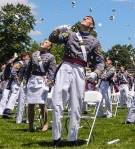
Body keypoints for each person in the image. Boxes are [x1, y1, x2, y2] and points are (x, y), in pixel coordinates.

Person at [49, 16, 105, 147]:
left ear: (92, 25)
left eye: (88, 18)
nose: (85, 18)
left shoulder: (94, 41)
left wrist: (96, 73)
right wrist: (57, 30)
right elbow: (53, 40)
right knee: (57, 102)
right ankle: (56, 137)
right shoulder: (70, 34)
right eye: (84, 17)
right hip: (65, 66)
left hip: (80, 69)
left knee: (76, 104)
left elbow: (100, 61)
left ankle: (72, 138)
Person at [26, 39, 56, 132]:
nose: (43, 42)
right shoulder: (34, 54)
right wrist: (26, 80)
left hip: (43, 81)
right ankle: (30, 126)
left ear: (49, 47)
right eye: (43, 41)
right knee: (30, 104)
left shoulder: (51, 57)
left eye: (46, 42)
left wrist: (49, 84)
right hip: (32, 80)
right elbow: (28, 68)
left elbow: (52, 72)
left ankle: (46, 123)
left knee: (42, 104)